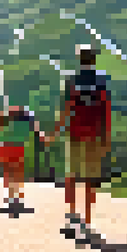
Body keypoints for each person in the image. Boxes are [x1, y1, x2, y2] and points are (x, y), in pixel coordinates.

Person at [47, 44, 111, 236]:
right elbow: (106, 110)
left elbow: (65, 109)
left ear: (79, 59)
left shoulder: (71, 80)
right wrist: (106, 136)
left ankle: (72, 215)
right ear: (94, 59)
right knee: (91, 178)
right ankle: (88, 220)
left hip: (74, 132)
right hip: (95, 134)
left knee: (72, 176)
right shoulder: (101, 80)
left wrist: (55, 132)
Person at [0, 104, 44, 213]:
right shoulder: (27, 116)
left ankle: (13, 200)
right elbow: (37, 131)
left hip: (6, 147)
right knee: (17, 175)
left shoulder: (5, 115)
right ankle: (16, 200)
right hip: (18, 147)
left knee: (10, 175)